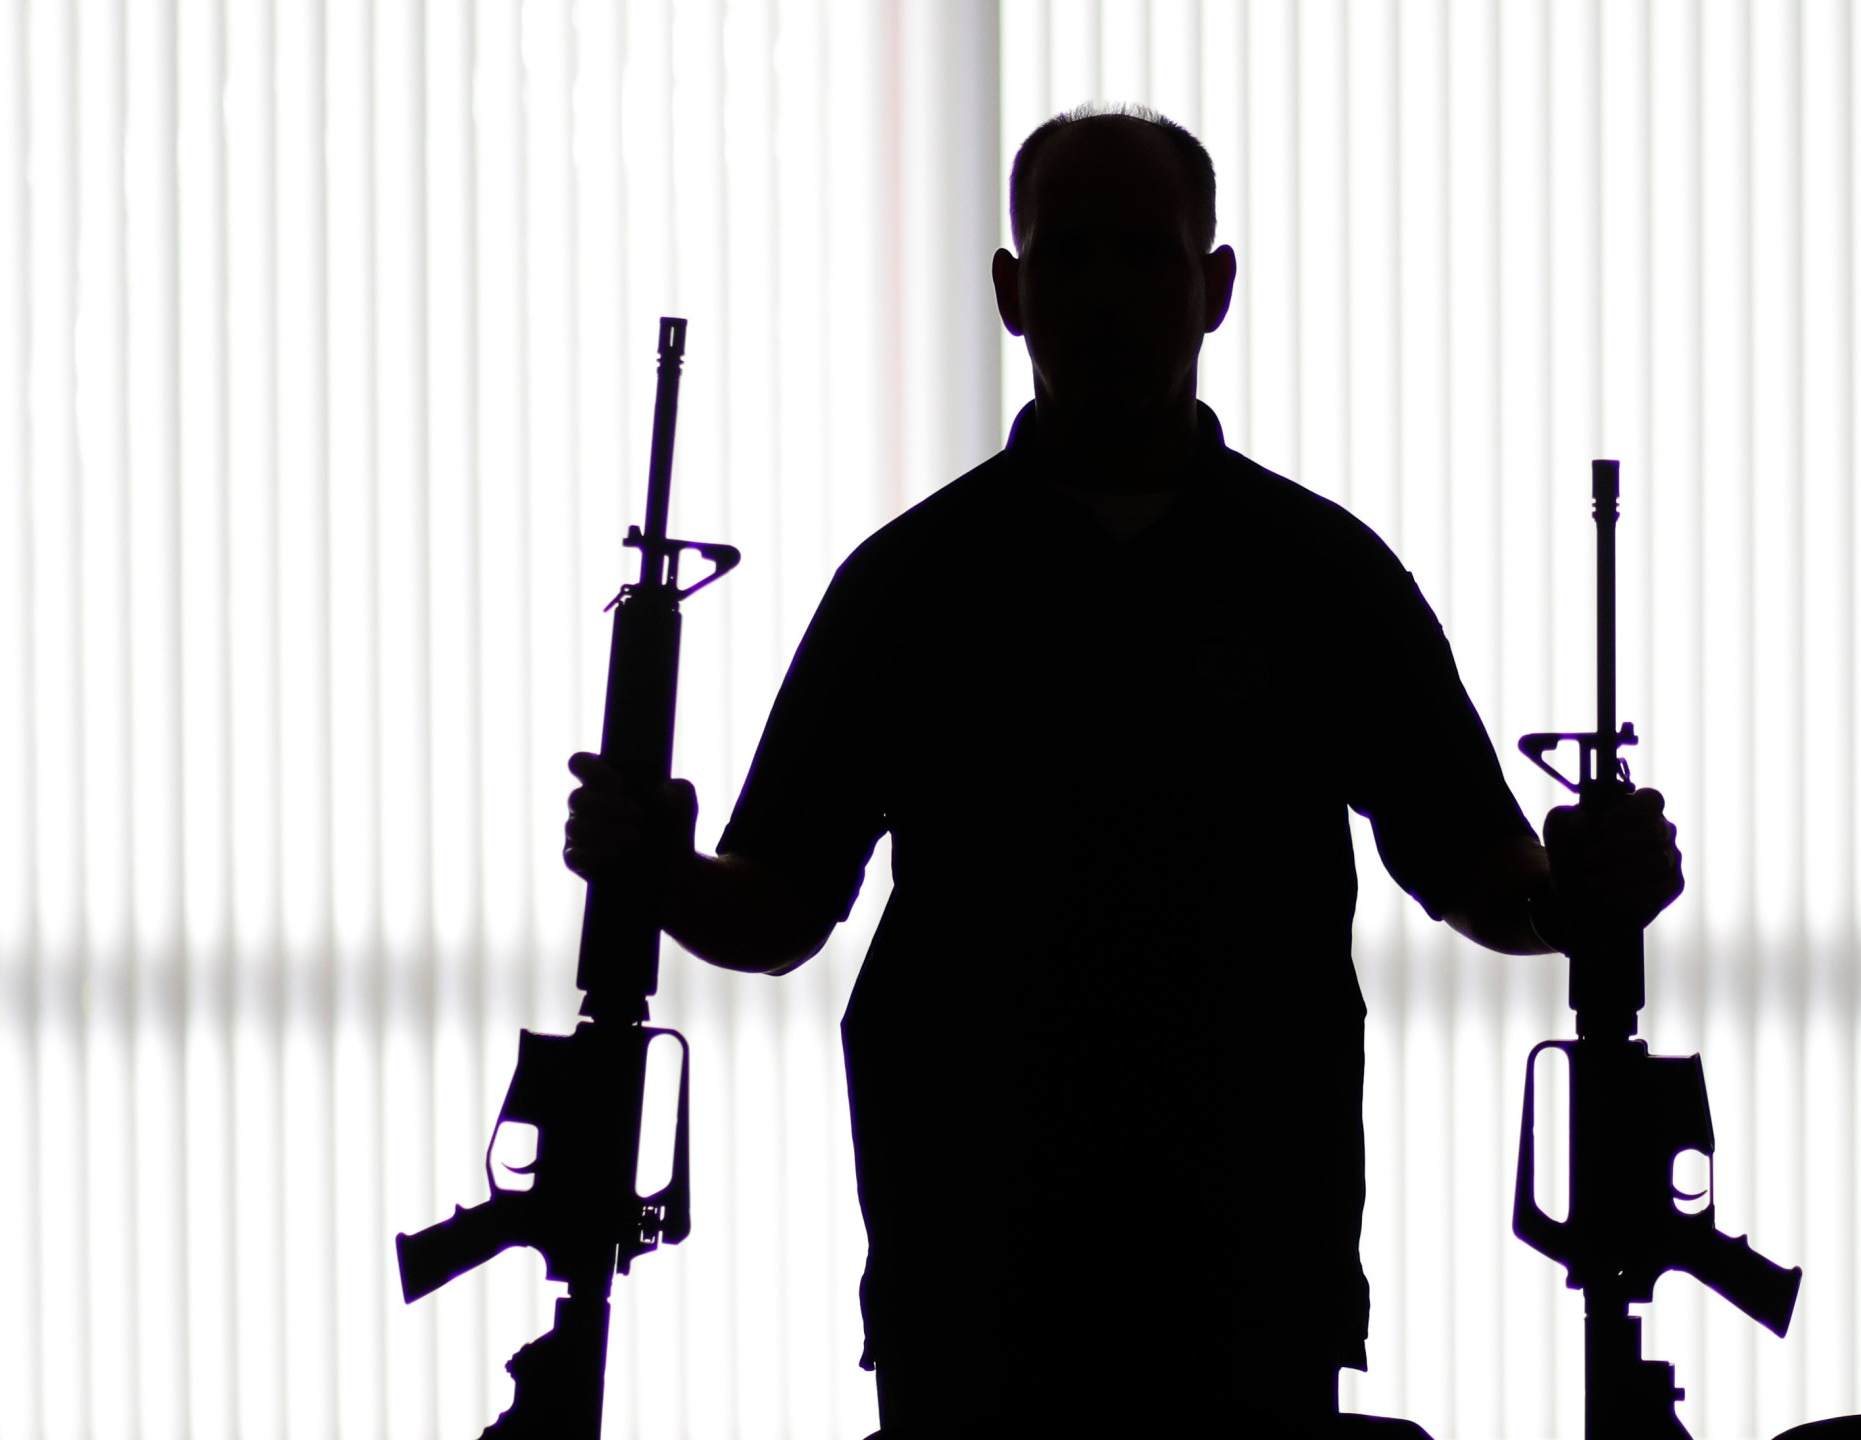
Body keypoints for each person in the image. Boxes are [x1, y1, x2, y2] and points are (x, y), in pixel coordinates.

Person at [563, 103, 1684, 1440]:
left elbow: (1483, 876)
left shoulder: (1321, 577)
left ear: (1213, 288)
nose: (1104, 291)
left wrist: (1586, 892)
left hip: (1250, 1272)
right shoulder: (915, 584)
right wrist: (660, 876)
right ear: (1010, 290)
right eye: (1071, 254)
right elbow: (779, 906)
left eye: (1145, 255)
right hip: (972, 1276)